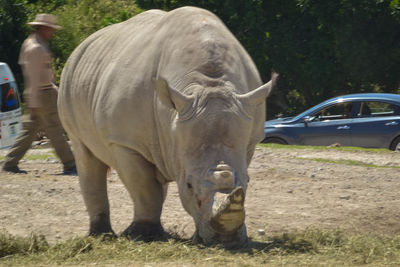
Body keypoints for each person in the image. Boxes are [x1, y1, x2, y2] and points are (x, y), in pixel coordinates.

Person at [2, 14, 76, 175]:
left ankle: (10, 162)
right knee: (55, 129)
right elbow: (34, 76)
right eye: (51, 29)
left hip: (41, 93)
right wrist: (34, 100)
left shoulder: (31, 43)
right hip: (42, 95)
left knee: (29, 130)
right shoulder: (36, 48)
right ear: (43, 28)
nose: (52, 33)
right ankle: (70, 163)